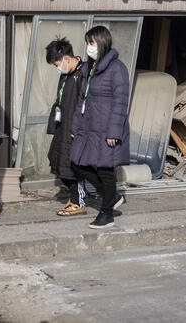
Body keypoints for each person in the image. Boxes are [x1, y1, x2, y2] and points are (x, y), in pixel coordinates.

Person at [70, 25, 131, 229]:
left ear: (102, 43)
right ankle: (111, 197)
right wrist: (76, 125)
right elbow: (82, 100)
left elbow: (120, 103)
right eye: (88, 43)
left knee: (105, 170)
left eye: (92, 43)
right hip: (88, 127)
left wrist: (114, 132)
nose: (89, 47)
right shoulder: (89, 68)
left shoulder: (117, 68)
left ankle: (107, 214)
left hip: (107, 128)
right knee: (78, 163)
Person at [45, 37, 88, 217]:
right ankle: (75, 197)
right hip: (63, 126)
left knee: (73, 166)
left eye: (57, 64)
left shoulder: (83, 73)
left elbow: (85, 105)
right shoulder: (66, 75)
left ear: (66, 59)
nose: (57, 68)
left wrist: (78, 128)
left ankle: (79, 201)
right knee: (55, 159)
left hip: (75, 128)